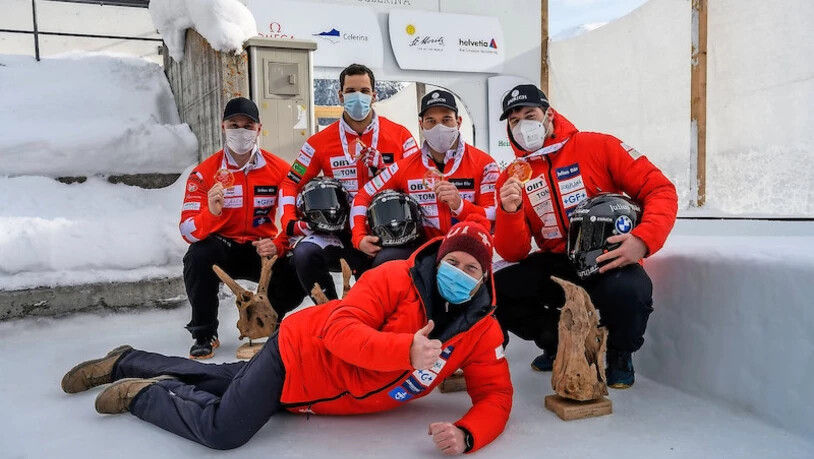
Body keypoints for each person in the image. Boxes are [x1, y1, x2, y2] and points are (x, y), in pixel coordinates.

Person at [60, 215, 512, 455]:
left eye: (471, 268)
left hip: (314, 392)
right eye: (453, 262)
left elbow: (495, 395)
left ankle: (126, 360)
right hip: (299, 353)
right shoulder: (395, 277)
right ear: (440, 257)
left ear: (483, 277)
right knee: (223, 429)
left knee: (229, 380)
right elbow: (339, 329)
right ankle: (142, 395)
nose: (459, 272)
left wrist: (469, 433)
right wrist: (404, 351)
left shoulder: (480, 327)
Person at [492, 84, 678, 388]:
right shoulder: (512, 175)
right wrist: (509, 212)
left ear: (548, 115)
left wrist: (642, 240)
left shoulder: (597, 145)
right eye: (514, 121)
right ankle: (557, 344)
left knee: (630, 291)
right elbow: (513, 252)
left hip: (606, 254)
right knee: (500, 288)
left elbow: (659, 189)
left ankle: (619, 352)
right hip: (556, 262)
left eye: (530, 115)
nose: (523, 126)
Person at [178, 97, 306, 359]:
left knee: (299, 261)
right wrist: (211, 214)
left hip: (262, 248)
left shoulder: (279, 169)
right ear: (223, 128)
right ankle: (204, 332)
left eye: (247, 126)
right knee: (198, 254)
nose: (241, 132)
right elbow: (187, 230)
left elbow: (295, 219)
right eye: (234, 125)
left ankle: (269, 319)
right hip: (223, 247)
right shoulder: (204, 173)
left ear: (259, 129)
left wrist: (280, 242)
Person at [279, 63, 418, 301]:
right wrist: (289, 222)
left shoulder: (401, 136)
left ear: (375, 95)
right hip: (340, 232)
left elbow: (416, 185)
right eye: (351, 91)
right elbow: (290, 183)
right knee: (304, 253)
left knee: (381, 291)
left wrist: (385, 169)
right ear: (340, 95)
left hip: (385, 232)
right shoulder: (319, 142)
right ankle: (329, 314)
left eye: (364, 91)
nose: (358, 97)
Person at [351, 90, 499, 266]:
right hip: (424, 250)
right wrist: (359, 237)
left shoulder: (485, 164)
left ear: (458, 122)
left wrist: (460, 206)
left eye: (446, 120)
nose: (439, 127)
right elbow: (362, 197)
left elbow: (494, 215)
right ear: (421, 124)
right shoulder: (404, 166)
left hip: (466, 249)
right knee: (384, 261)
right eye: (431, 121)